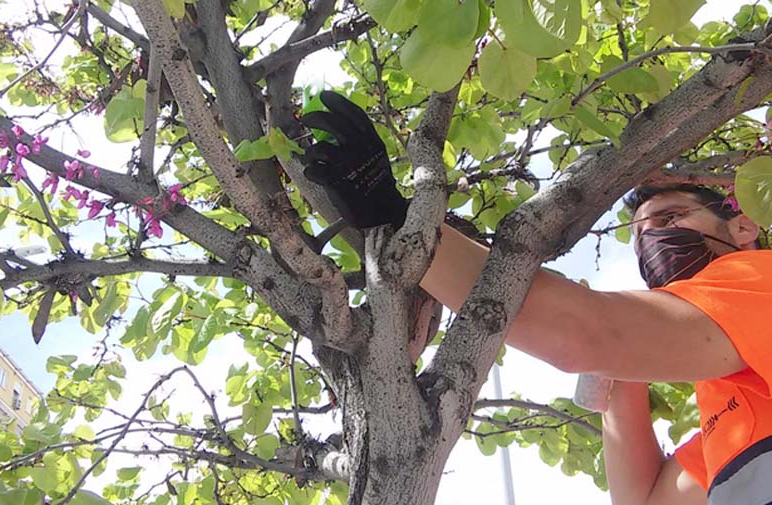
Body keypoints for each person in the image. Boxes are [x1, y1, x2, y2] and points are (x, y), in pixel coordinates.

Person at [300, 91, 772, 505]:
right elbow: (644, 497)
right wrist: (626, 369)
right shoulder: (734, 400)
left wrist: (402, 218)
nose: (653, 241)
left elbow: (584, 333)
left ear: (743, 226)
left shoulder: (755, 277)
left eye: (670, 220)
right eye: (642, 235)